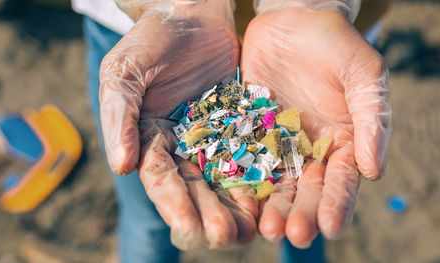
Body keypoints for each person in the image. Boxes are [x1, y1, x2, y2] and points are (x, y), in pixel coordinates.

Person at [72, 0, 393, 262]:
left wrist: (308, 5)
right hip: (150, 34)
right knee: (149, 220)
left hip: (322, 45)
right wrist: (179, 6)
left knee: (305, 220)